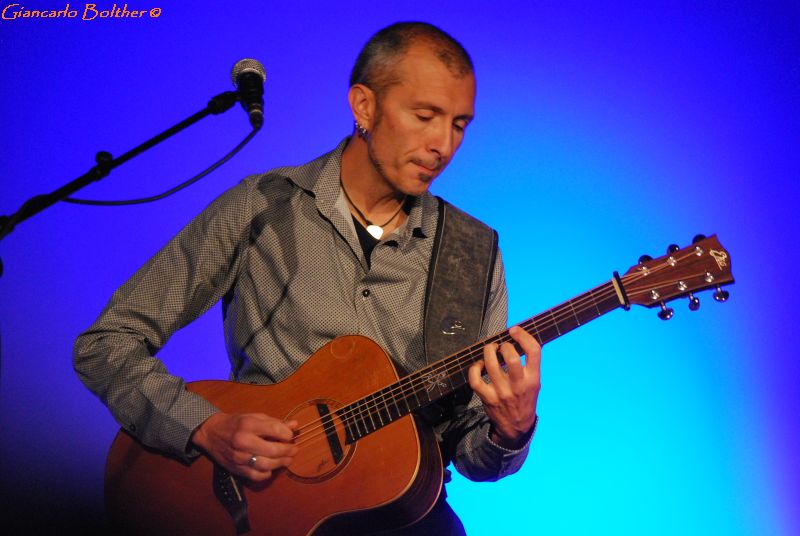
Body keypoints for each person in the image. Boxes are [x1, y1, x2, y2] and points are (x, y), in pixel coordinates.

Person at [74, 21, 541, 535]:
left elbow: (472, 454)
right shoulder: (261, 206)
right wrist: (204, 426)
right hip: (254, 503)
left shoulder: (472, 253)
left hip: (402, 515)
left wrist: (510, 430)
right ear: (364, 107)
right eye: (425, 116)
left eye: (459, 124)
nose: (443, 145)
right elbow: (107, 343)